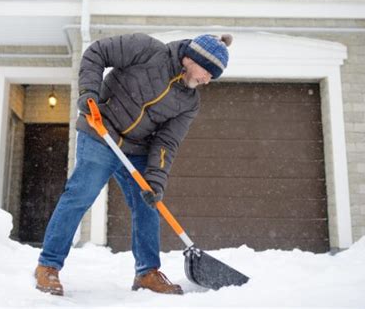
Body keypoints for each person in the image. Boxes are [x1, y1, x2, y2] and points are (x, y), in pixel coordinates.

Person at [34, 32, 232, 296]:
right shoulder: (148, 49)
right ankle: (48, 266)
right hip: (100, 129)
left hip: (136, 148)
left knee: (148, 203)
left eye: (213, 76)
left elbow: (167, 142)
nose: (208, 80)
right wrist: (89, 92)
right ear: (192, 58)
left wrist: (156, 180)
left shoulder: (189, 102)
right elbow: (96, 53)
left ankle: (147, 273)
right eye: (208, 71)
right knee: (81, 194)